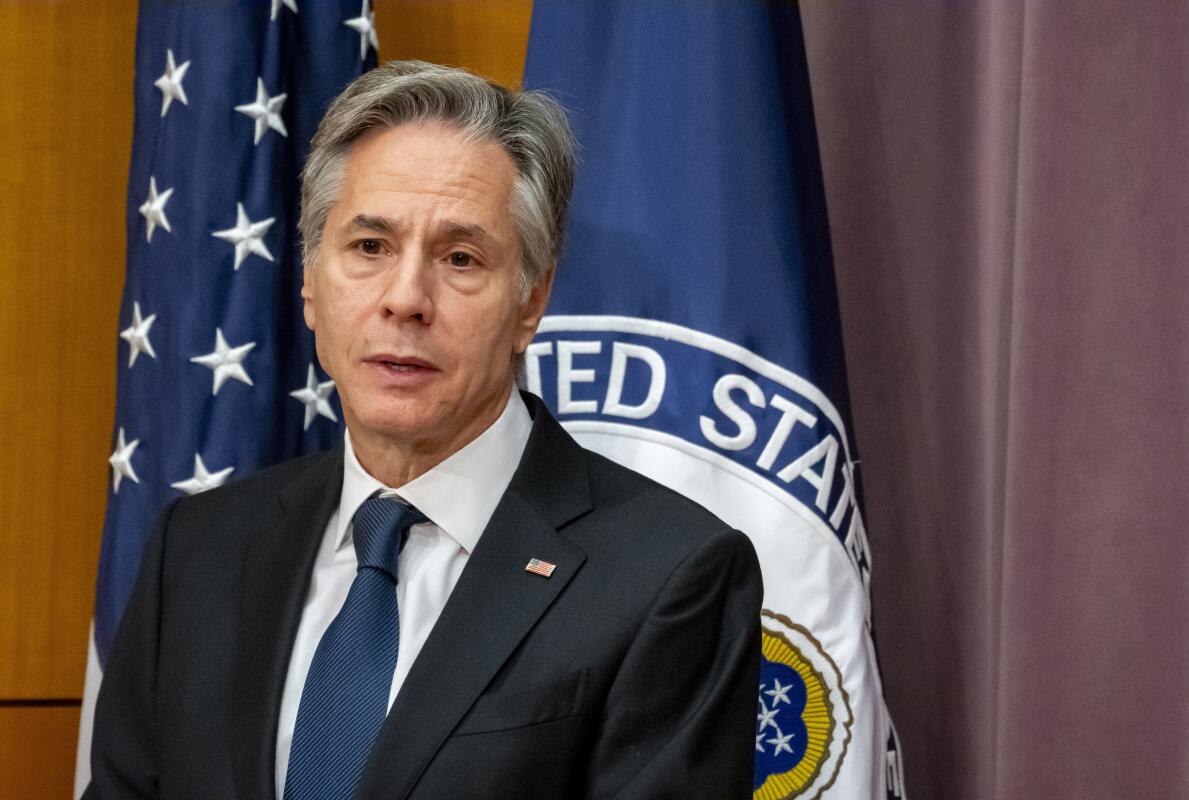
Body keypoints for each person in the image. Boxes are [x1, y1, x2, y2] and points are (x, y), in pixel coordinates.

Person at [86, 60, 763, 799]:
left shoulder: (669, 574)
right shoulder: (198, 547)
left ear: (530, 302)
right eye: (369, 248)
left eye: (460, 258)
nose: (405, 299)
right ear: (311, 283)